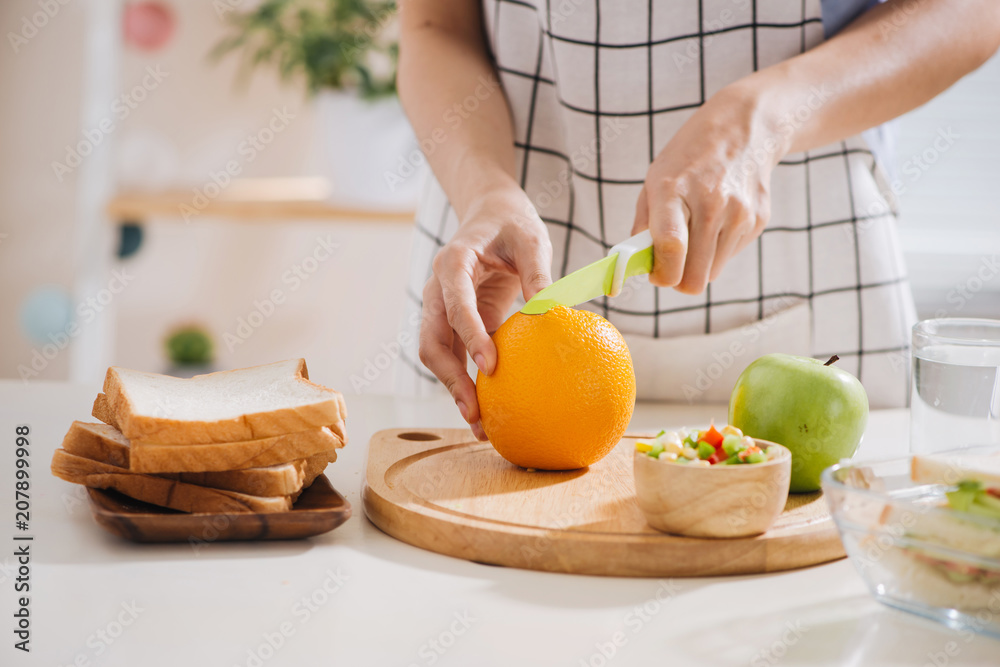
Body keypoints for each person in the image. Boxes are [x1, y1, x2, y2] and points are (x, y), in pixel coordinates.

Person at [393, 0, 1000, 439]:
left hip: (809, 240)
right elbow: (434, 24)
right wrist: (483, 190)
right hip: (492, 260)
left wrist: (765, 118)